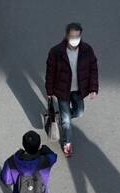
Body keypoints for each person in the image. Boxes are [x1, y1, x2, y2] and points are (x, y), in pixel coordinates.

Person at [45, 22, 99, 157]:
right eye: (72, 36)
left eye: (77, 36)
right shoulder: (56, 52)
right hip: (62, 91)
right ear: (66, 35)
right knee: (66, 122)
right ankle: (67, 143)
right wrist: (49, 91)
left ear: (80, 36)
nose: (74, 39)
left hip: (79, 90)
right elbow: (50, 73)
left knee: (79, 112)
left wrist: (93, 88)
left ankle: (62, 117)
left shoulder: (87, 50)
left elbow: (93, 69)